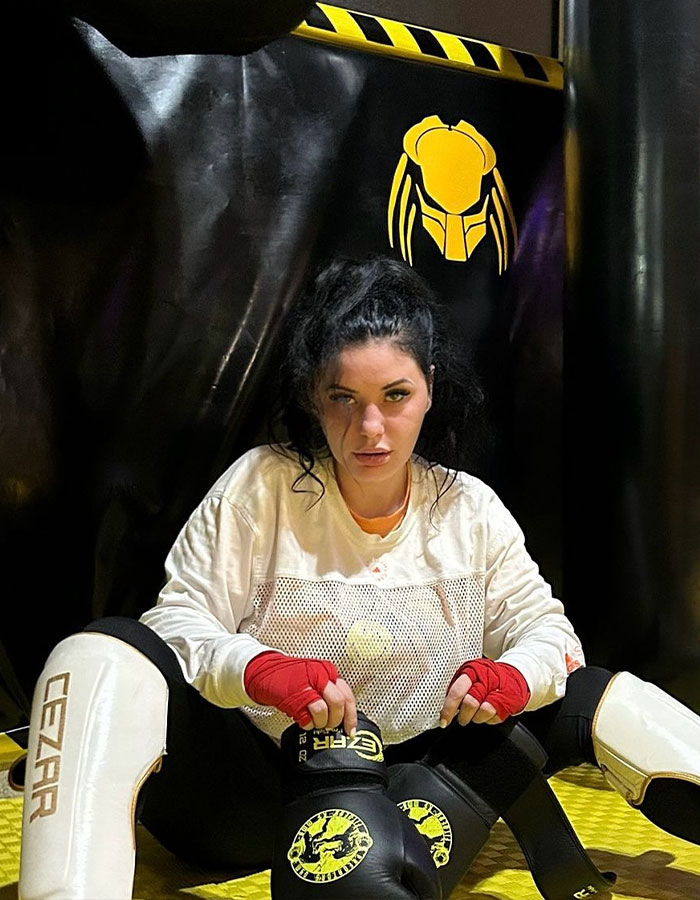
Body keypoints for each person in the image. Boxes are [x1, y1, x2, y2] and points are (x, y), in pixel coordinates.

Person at [18, 257, 700, 900]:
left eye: (395, 395)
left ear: (431, 386)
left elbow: (548, 631)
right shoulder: (262, 487)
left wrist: (513, 677)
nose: (369, 428)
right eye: (342, 397)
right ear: (313, 397)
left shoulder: (467, 508)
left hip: (422, 787)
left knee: (598, 695)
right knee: (98, 656)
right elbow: (176, 623)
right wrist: (259, 670)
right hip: (257, 799)